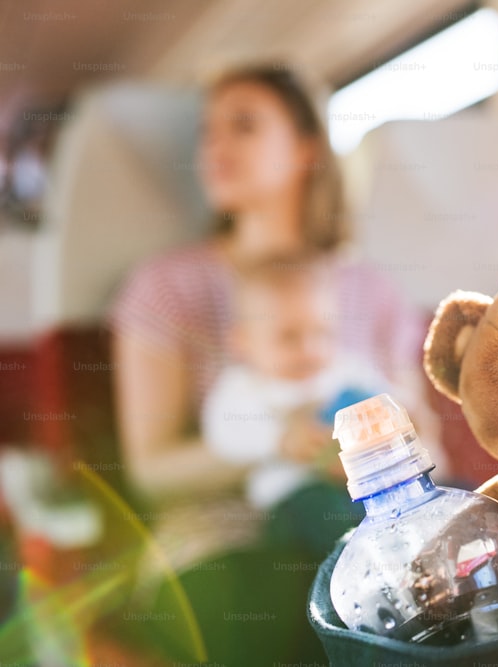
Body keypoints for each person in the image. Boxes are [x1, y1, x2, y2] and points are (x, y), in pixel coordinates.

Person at [110, 63, 448, 574]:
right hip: (229, 538)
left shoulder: (374, 291)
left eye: (243, 126)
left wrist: (384, 447)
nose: (213, 148)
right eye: (208, 132)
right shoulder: (165, 288)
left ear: (306, 150)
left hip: (375, 512)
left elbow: (426, 437)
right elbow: (151, 470)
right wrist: (281, 444)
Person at [201, 253, 398, 556]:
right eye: (288, 337)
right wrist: (279, 440)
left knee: (422, 494)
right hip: (293, 494)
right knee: (319, 517)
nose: (309, 349)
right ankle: (348, 576)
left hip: (365, 482)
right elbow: (224, 433)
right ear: (243, 342)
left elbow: (386, 401)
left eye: (322, 333)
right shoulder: (243, 386)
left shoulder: (345, 369)